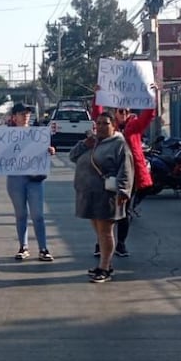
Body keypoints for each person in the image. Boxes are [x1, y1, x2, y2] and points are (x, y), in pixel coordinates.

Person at [91, 85, 156, 257]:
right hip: (107, 173)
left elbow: (148, 116)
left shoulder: (134, 127)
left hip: (129, 175)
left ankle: (120, 244)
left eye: (127, 111)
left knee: (124, 210)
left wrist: (153, 95)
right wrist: (98, 95)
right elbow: (97, 115)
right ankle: (101, 243)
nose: (124, 113)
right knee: (103, 210)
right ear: (115, 112)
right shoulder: (107, 127)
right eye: (121, 110)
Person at [70, 112, 133, 283]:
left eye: (105, 123)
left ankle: (104, 268)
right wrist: (85, 144)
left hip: (108, 195)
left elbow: (126, 169)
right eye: (98, 123)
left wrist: (123, 191)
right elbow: (73, 156)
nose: (101, 126)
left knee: (105, 232)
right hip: (89, 194)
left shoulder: (119, 144)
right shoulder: (93, 141)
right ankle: (106, 263)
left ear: (113, 125)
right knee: (99, 232)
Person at [6, 102, 56, 261]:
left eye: (27, 112)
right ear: (14, 117)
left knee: (38, 214)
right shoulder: (6, 135)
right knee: (20, 214)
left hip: (34, 178)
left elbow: (44, 150)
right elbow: (1, 155)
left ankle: (43, 248)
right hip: (15, 178)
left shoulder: (38, 133)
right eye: (21, 113)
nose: (26, 115)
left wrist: (49, 150)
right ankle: (23, 246)